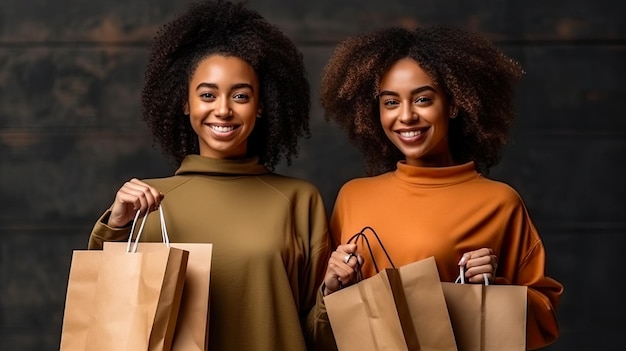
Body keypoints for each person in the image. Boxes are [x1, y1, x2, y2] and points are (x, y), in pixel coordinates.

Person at [87, 1, 331, 350]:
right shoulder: (146, 203)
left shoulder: (299, 200)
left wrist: (334, 290)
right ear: (185, 103)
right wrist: (115, 224)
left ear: (261, 105)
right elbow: (102, 312)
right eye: (207, 94)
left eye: (241, 96)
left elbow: (317, 330)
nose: (223, 109)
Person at [308, 26, 563, 350]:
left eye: (423, 99)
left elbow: (545, 319)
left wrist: (492, 287)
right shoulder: (353, 197)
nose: (406, 116)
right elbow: (322, 332)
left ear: (454, 104)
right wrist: (330, 289)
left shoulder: (498, 203)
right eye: (390, 102)